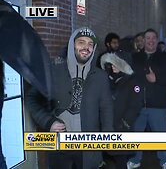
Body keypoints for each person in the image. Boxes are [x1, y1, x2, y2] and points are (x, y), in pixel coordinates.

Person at [25, 27, 114, 169]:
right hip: (59, 146)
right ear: (72, 44)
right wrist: (49, 122)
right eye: (81, 42)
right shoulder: (53, 71)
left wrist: (108, 136)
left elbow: (106, 108)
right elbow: (32, 98)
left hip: (88, 147)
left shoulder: (100, 76)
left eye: (90, 44)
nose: (86, 47)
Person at [127, 28, 166, 169]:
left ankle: (165, 160)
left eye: (153, 38)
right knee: (136, 135)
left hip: (158, 105)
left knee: (160, 135)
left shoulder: (165, 57)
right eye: (148, 38)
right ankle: (136, 159)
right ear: (143, 41)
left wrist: (157, 78)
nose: (150, 41)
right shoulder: (135, 58)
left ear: (156, 40)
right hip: (138, 105)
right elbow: (129, 77)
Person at [99, 52, 142, 169]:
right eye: (112, 63)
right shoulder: (108, 78)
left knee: (121, 159)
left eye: (117, 63)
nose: (113, 66)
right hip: (108, 127)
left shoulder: (132, 81)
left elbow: (135, 105)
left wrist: (125, 123)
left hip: (122, 128)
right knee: (107, 158)